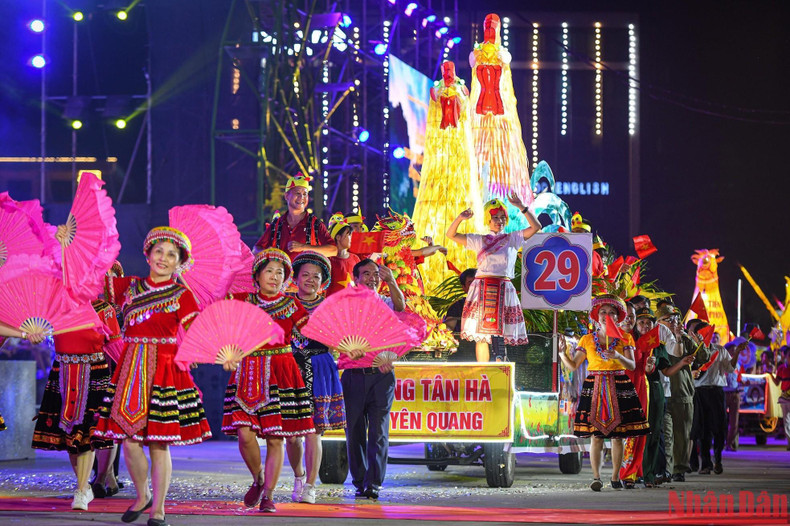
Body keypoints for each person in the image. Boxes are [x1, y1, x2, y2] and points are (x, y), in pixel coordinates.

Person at [94, 227, 212, 526]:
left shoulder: (182, 295)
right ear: (147, 254)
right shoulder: (129, 287)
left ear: (180, 263)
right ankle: (142, 494)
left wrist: (223, 351)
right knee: (129, 440)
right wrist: (72, 243)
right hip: (131, 368)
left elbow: (199, 332)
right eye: (159, 251)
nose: (163, 258)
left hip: (164, 370)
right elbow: (90, 274)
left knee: (159, 442)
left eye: (171, 255)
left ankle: (158, 508)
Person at [223, 248, 316, 513]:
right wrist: (227, 351)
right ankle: (258, 478)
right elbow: (223, 324)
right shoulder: (241, 301)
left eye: (280, 273)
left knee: (276, 438)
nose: (275, 277)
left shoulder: (292, 305)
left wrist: (344, 346)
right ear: (257, 275)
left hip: (281, 371)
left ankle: (269, 495)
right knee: (244, 435)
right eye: (269, 271)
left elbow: (314, 331)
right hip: (248, 371)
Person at [559, 294, 649, 491]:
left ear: (617, 317)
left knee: (618, 437)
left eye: (611, 312)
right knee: (596, 436)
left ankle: (615, 477)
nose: (606, 315)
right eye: (603, 312)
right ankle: (596, 477)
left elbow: (632, 365)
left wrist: (617, 356)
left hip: (619, 384)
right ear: (596, 316)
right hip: (595, 386)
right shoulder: (587, 339)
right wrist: (561, 353)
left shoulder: (625, 338)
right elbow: (573, 366)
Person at [445, 194, 541, 362]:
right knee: (481, 335)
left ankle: (501, 367)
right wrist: (460, 218)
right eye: (495, 217)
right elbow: (451, 234)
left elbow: (536, 226)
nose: (499, 221)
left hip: (503, 288)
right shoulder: (479, 240)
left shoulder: (512, 238)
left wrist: (521, 207)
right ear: (488, 220)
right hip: (482, 288)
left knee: (501, 333)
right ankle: (483, 371)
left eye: (502, 217)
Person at [340, 258, 405, 500]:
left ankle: (374, 483)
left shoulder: (385, 302)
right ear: (355, 278)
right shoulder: (345, 305)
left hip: (382, 376)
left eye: (376, 274)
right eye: (366, 273)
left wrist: (392, 282)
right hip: (354, 376)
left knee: (378, 432)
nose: (372, 278)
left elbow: (401, 308)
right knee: (354, 431)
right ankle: (359, 481)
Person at [284, 251, 346, 504]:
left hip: (320, 367)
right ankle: (299, 476)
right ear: (296, 278)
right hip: (290, 368)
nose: (310, 280)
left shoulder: (330, 306)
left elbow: (339, 340)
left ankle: (310, 485)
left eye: (316, 276)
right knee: (291, 435)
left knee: (314, 430)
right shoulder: (284, 304)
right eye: (305, 275)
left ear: (323, 281)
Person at [635, 307, 693, 488]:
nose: (645, 326)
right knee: (634, 433)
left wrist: (682, 363)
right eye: (641, 322)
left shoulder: (658, 346)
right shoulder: (630, 343)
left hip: (655, 390)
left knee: (654, 433)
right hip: (635, 389)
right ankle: (633, 473)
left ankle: (650, 474)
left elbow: (666, 371)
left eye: (649, 322)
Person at [656, 304, 711, 482]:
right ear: (659, 322)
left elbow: (703, 358)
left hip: (682, 391)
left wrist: (699, 342)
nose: (673, 322)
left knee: (682, 434)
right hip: (660, 392)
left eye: (675, 319)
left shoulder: (685, 338)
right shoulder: (654, 339)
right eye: (668, 320)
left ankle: (679, 468)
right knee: (665, 435)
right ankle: (665, 469)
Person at [691, 328, 742, 474]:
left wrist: (736, 353)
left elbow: (730, 368)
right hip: (700, 392)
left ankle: (718, 459)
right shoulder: (693, 351)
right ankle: (706, 463)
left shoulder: (720, 350)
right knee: (703, 429)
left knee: (719, 427)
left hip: (717, 391)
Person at [253, 173, 336, 260]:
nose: (302, 197)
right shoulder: (276, 225)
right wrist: (268, 253)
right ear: (286, 196)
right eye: (298, 193)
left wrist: (303, 247)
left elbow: (333, 250)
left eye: (305, 194)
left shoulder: (315, 224)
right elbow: (256, 250)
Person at [326, 215, 360, 297]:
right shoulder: (328, 260)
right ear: (338, 237)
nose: (351, 238)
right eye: (348, 235)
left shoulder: (355, 259)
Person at [768, 345, 790, 450]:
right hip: (785, 396)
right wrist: (770, 375)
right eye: (789, 355)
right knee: (786, 420)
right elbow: (777, 382)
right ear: (785, 356)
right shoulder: (781, 368)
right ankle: (789, 442)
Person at [443, 268, 477, 334]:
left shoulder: (491, 305)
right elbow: (448, 329)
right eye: (470, 283)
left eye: (477, 282)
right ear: (464, 288)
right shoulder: (456, 307)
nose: (475, 286)